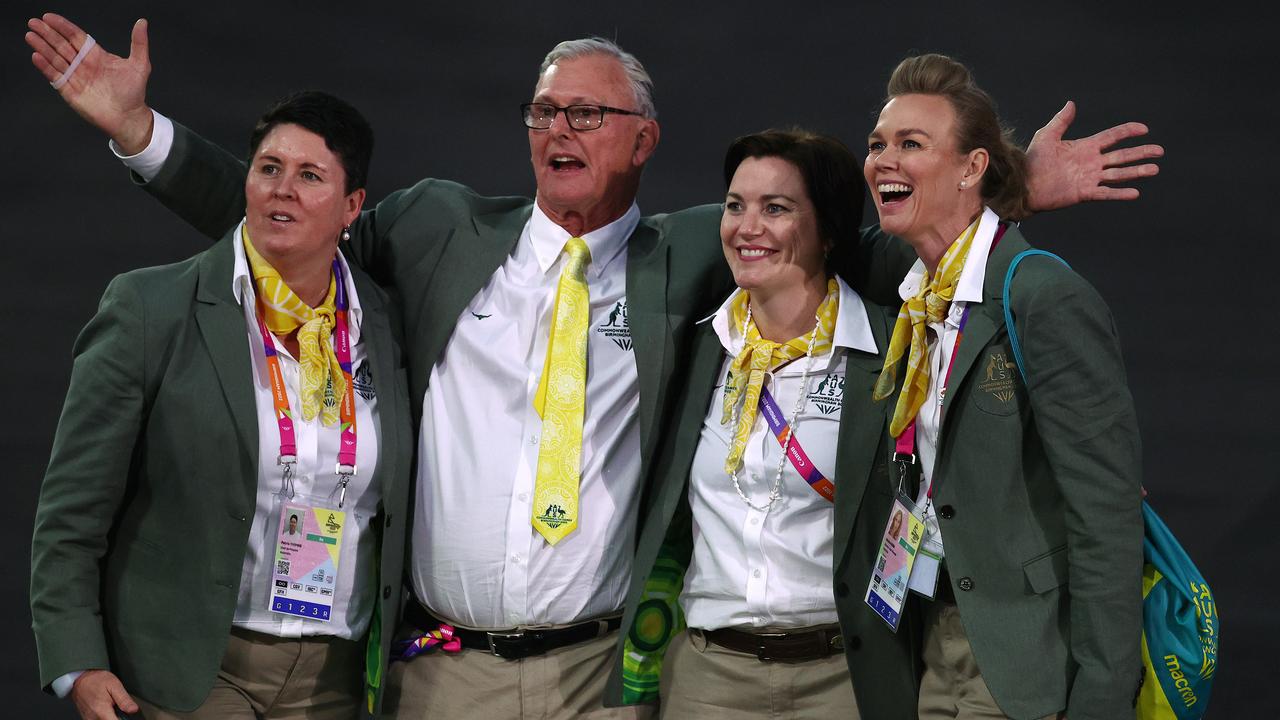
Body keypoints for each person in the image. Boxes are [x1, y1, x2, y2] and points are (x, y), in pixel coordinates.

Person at [25, 13, 1162, 718]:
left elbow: (845, 242)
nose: (557, 128)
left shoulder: (696, 256)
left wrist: (1001, 189)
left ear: (641, 139)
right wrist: (142, 135)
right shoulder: (431, 230)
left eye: (586, 111)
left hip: (602, 681)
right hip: (440, 673)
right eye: (541, 109)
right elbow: (282, 216)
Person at [29, 90, 413, 720]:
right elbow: (71, 513)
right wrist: (77, 662)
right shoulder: (151, 309)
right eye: (269, 168)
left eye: (309, 175)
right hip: (191, 672)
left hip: (338, 682)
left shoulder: (387, 325)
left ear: (352, 207)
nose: (282, 189)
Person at [862, 53, 1143, 719]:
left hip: (1027, 656)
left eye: (911, 144)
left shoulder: (1042, 295)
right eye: (877, 143)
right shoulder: (911, 290)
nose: (882, 160)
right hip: (932, 644)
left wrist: (1103, 698)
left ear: (971, 167)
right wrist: (1019, 190)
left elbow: (1105, 517)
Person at [608, 129, 918, 719]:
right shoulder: (696, 348)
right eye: (735, 206)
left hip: (845, 679)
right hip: (707, 679)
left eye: (775, 208)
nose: (747, 227)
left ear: (828, 231)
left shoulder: (888, 351)